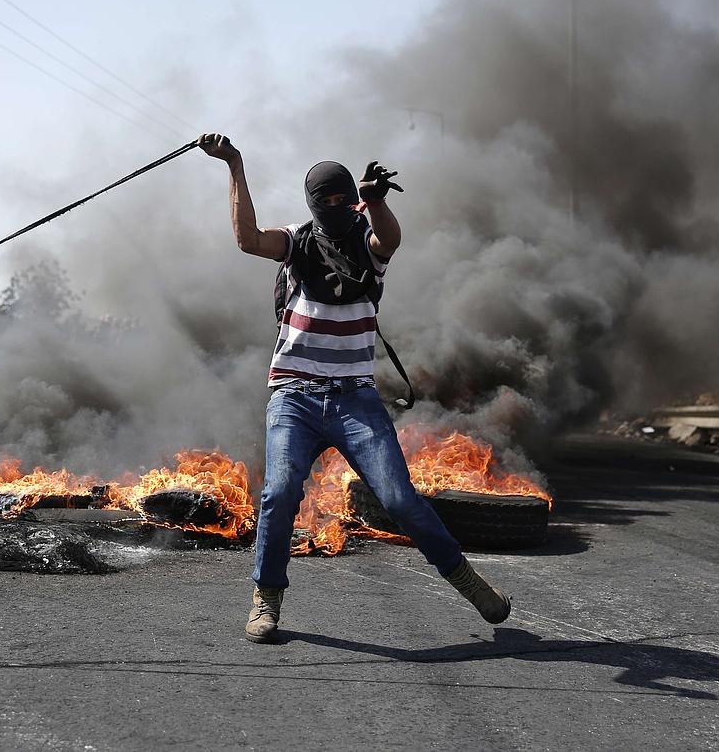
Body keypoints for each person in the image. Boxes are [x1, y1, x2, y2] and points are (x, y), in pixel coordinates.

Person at [197, 133, 512, 644]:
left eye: (348, 199)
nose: (339, 208)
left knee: (401, 500)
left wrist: (379, 201)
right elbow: (248, 240)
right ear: (313, 204)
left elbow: (389, 240)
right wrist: (234, 165)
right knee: (278, 496)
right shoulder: (295, 241)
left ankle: (468, 582)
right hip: (294, 398)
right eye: (329, 201)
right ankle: (266, 598)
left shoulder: (370, 244)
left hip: (354, 401)